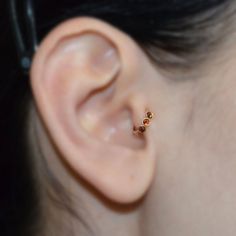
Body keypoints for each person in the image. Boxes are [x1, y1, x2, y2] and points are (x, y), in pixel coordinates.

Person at [1, 0, 236, 235]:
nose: (144, 122)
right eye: (142, 122)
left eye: (144, 122)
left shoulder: (145, 119)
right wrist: (144, 123)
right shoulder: (145, 120)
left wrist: (144, 123)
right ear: (112, 114)